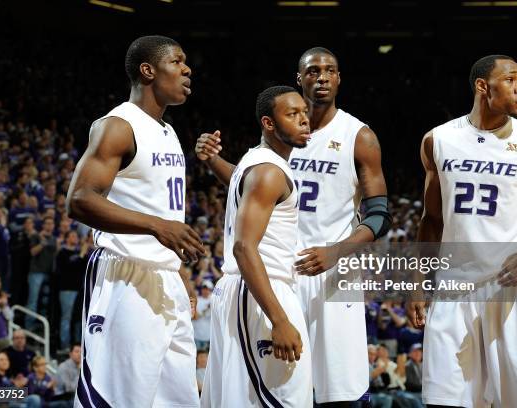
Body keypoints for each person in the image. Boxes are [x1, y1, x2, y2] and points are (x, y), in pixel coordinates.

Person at [196, 47, 390, 407]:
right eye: (313, 71)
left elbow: (379, 214)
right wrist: (214, 162)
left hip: (333, 271)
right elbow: (253, 188)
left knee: (340, 389)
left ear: (339, 78)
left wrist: (337, 251)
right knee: (278, 388)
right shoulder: (281, 136)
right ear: (299, 79)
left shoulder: (357, 136)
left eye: (330, 71)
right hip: (278, 272)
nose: (322, 78)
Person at [407, 55, 517, 407]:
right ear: (483, 86)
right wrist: (419, 282)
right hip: (453, 289)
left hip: (512, 290)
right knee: (444, 401)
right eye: (511, 79)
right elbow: (432, 220)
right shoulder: (437, 140)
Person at [66, 35, 204, 408]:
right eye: (177, 61)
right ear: (148, 70)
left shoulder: (169, 132)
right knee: (119, 399)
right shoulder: (118, 125)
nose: (186, 69)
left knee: (177, 399)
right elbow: (79, 200)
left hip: (165, 280)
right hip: (123, 275)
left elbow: (163, 212)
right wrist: (157, 226)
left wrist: (177, 273)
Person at [201, 86, 313, 407]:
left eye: (304, 112)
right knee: (283, 399)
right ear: (268, 123)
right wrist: (278, 319)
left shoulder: (255, 162)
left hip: (252, 290)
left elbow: (239, 182)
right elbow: (244, 248)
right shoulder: (269, 171)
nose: (303, 120)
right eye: (292, 114)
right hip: (261, 291)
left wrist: (212, 161)